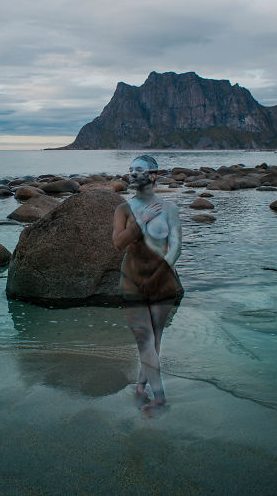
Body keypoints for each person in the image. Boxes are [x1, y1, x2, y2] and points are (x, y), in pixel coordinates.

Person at [112, 155, 182, 412]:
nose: (131, 174)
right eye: (130, 170)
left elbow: (176, 248)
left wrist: (157, 277)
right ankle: (159, 395)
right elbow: (118, 244)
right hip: (131, 282)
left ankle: (142, 384)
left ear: (153, 174)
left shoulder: (170, 209)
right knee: (144, 337)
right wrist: (141, 221)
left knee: (155, 338)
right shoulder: (123, 210)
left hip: (162, 284)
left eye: (138, 170)